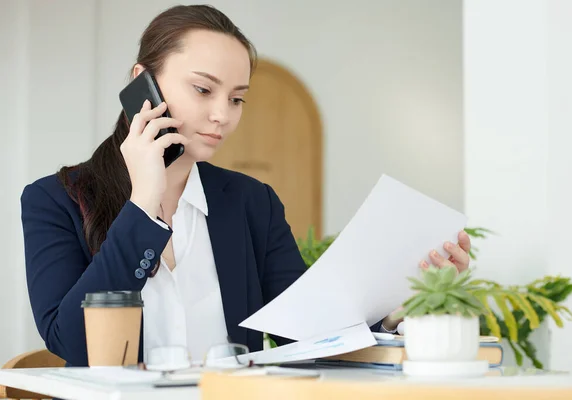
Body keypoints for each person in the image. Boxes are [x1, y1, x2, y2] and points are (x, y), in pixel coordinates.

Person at [20, 4, 472, 367]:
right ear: (143, 85)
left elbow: (310, 331)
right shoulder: (53, 200)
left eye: (237, 98)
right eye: (203, 90)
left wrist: (401, 302)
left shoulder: (252, 203)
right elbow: (71, 344)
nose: (224, 114)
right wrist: (143, 204)